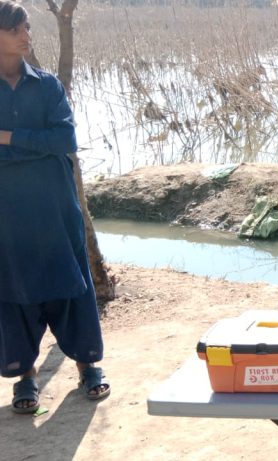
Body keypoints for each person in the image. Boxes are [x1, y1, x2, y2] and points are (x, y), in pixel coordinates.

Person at [0, 0, 110, 415]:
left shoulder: (47, 86)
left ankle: (88, 367)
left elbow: (65, 141)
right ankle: (25, 377)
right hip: (6, 215)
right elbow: (48, 142)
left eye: (27, 27)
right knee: (13, 291)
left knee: (72, 284)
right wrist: (36, 145)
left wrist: (7, 138)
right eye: (15, 29)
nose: (26, 35)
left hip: (55, 208)